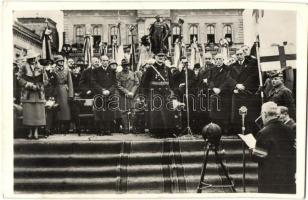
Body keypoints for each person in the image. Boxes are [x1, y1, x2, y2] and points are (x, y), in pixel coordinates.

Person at [251, 101, 296, 193]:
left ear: (264, 114)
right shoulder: (289, 129)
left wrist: (252, 149)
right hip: (287, 176)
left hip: (269, 178)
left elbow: (257, 157)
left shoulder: (264, 132)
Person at [139, 50, 177, 137]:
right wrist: (144, 96)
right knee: (157, 114)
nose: (161, 58)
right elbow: (144, 84)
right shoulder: (150, 69)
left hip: (166, 94)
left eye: (162, 56)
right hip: (155, 94)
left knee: (168, 112)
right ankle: (158, 132)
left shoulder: (167, 69)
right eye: (159, 56)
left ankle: (169, 131)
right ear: (155, 57)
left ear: (164, 57)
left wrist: (173, 93)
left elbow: (171, 83)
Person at [229, 48, 261, 134]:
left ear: (244, 54)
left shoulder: (251, 64)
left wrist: (244, 85)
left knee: (247, 113)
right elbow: (229, 78)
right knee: (237, 114)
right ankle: (239, 132)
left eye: (241, 54)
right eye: (237, 54)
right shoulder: (232, 66)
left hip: (247, 92)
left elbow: (253, 76)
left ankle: (248, 132)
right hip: (237, 92)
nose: (239, 56)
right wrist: (236, 85)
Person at [18, 52, 49, 139]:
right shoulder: (23, 66)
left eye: (34, 58)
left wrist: (38, 86)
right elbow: (19, 79)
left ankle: (36, 131)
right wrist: (29, 85)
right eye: (31, 58)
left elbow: (46, 80)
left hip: (38, 94)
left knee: (37, 114)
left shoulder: (41, 67)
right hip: (28, 94)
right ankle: (30, 132)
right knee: (29, 114)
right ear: (28, 59)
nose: (33, 60)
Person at [207, 53, 233, 134]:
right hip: (214, 93)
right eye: (216, 59)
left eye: (220, 59)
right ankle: (215, 130)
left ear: (223, 60)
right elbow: (209, 80)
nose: (218, 61)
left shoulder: (228, 69)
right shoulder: (212, 69)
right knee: (215, 112)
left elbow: (228, 80)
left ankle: (225, 130)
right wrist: (213, 88)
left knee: (225, 112)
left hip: (225, 93)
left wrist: (220, 89)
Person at [92, 55, 117, 135]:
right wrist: (102, 90)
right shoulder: (96, 71)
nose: (105, 62)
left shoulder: (112, 71)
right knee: (99, 112)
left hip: (109, 95)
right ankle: (100, 130)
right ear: (100, 61)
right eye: (103, 60)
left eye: (106, 60)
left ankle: (108, 130)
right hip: (99, 95)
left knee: (108, 112)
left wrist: (109, 91)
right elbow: (94, 82)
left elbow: (114, 83)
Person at [116, 58, 139, 133]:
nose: (126, 67)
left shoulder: (133, 73)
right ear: (122, 66)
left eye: (127, 65)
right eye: (124, 65)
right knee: (124, 112)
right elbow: (118, 85)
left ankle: (133, 128)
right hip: (123, 95)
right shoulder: (118, 74)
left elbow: (137, 83)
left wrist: (132, 92)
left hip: (133, 95)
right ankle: (125, 128)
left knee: (133, 111)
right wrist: (127, 92)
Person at [53, 55, 74, 134]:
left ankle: (66, 127)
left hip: (65, 91)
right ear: (56, 62)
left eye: (62, 61)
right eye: (59, 61)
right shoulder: (53, 70)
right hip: (56, 90)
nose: (61, 62)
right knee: (57, 109)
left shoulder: (67, 70)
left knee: (65, 109)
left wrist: (71, 95)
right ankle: (57, 127)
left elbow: (70, 83)